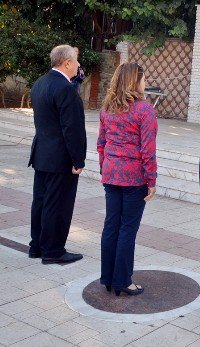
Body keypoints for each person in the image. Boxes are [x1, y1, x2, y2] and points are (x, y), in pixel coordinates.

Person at [97, 62, 157, 296]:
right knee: (127, 229)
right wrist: (151, 179)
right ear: (135, 81)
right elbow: (147, 150)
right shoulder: (144, 110)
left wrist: (105, 167)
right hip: (134, 177)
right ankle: (123, 280)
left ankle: (108, 278)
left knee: (111, 225)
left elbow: (101, 143)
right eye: (143, 78)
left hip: (111, 174)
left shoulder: (107, 108)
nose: (146, 82)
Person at [28, 45, 87, 264]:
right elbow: (72, 128)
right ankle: (53, 251)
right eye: (76, 61)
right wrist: (78, 159)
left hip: (42, 153)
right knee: (58, 204)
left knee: (41, 201)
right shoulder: (65, 88)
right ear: (67, 63)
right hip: (60, 158)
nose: (79, 65)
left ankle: (37, 246)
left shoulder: (39, 83)